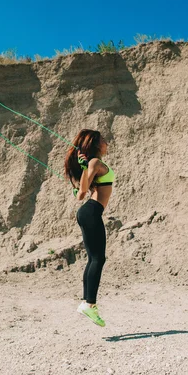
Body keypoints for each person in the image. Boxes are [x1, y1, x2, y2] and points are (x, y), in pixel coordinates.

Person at [64, 129, 115, 327]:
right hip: (91, 212)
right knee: (98, 258)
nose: (106, 142)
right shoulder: (95, 162)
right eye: (103, 140)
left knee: (94, 258)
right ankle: (89, 304)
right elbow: (83, 191)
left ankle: (87, 303)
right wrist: (86, 169)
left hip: (88, 212)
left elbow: (79, 195)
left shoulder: (94, 164)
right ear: (95, 144)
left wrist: (85, 174)